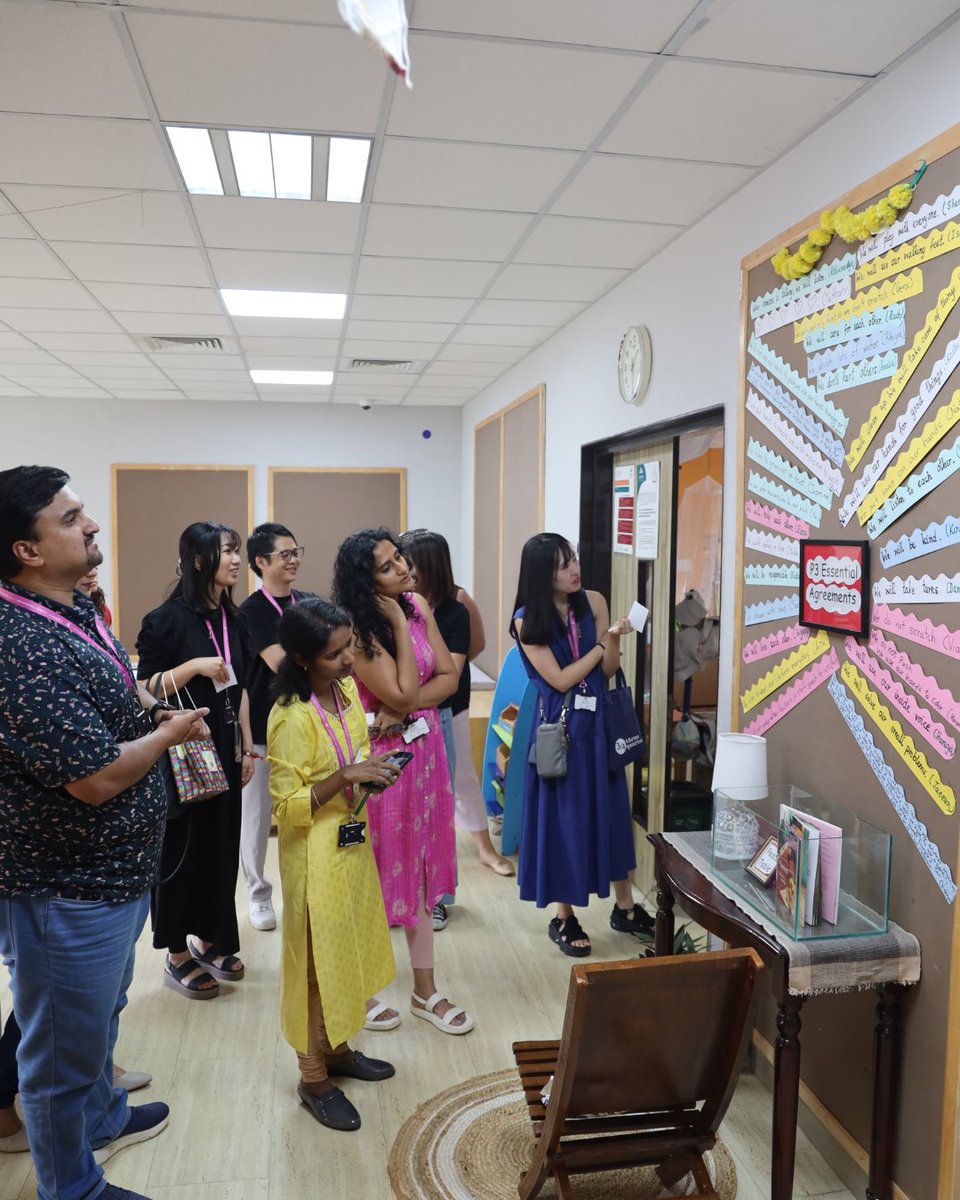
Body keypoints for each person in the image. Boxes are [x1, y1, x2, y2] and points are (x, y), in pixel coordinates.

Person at [0, 465, 210, 1200]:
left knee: (100, 1018)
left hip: (115, 874)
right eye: (70, 517)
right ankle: (73, 1188)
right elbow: (92, 777)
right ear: (27, 549)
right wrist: (169, 734)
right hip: (68, 886)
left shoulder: (73, 611)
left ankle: (102, 1116)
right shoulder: (16, 644)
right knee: (58, 1054)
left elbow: (111, 704)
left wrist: (146, 720)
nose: (90, 525)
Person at [332, 529, 474, 1035]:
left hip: (425, 748)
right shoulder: (359, 630)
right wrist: (394, 620)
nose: (404, 569)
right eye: (389, 566)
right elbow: (406, 690)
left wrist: (408, 701)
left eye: (400, 558)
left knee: (418, 866)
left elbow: (450, 679)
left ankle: (424, 991)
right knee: (372, 871)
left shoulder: (416, 603)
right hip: (382, 762)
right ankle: (361, 987)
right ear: (364, 583)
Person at [267, 597, 401, 1131]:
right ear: (302, 660)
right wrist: (345, 778)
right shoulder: (290, 717)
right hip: (313, 856)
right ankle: (311, 1075)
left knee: (347, 949)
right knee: (314, 964)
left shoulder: (344, 693)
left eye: (348, 646)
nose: (348, 661)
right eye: (334, 653)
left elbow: (353, 753)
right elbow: (285, 807)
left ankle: (339, 1048)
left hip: (350, 843)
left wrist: (369, 771)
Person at [510, 532, 654, 956]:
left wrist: (614, 639)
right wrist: (597, 643)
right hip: (560, 730)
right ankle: (564, 916)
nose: (575, 568)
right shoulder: (525, 620)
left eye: (573, 557)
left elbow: (607, 669)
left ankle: (624, 908)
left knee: (611, 814)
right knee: (564, 820)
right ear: (542, 575)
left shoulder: (592, 600)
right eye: (562, 564)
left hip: (598, 726)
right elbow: (559, 679)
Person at [136, 522, 255, 999]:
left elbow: (240, 684)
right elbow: (144, 689)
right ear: (200, 559)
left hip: (224, 745)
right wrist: (194, 667)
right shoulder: (164, 620)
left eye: (237, 552)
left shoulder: (236, 619)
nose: (236, 560)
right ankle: (177, 954)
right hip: (182, 750)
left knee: (222, 847)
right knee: (182, 849)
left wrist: (247, 744)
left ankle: (211, 937)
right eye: (227, 551)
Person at [398, 530, 513, 908]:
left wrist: (443, 671)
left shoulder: (456, 602)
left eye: (407, 560)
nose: (401, 567)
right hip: (410, 708)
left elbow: (475, 646)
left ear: (428, 565)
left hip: (449, 702)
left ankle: (484, 849)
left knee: (459, 778)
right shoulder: (397, 603)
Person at [239, 523, 314, 932]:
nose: (294, 559)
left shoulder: (307, 601)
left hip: (306, 724)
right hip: (264, 728)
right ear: (261, 562)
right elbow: (281, 663)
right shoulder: (251, 611)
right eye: (285, 554)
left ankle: (301, 893)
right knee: (256, 817)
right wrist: (318, 659)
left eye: (296, 551)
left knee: (302, 812)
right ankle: (258, 894)